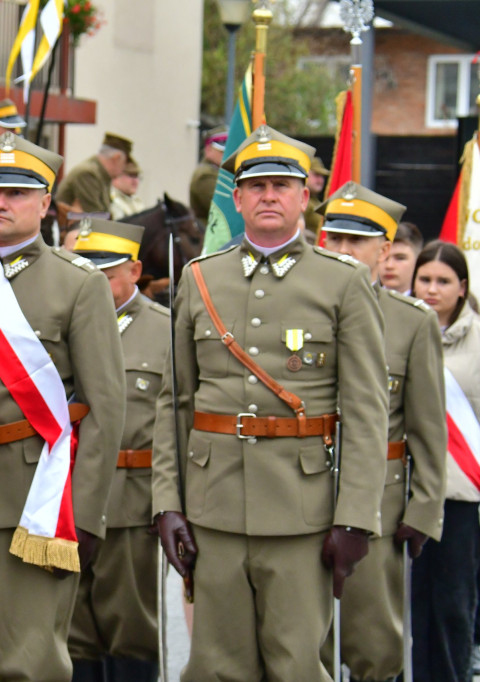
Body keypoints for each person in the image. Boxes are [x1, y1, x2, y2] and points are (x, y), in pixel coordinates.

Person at [152, 125, 388, 680]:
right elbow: (176, 403)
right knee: (215, 666)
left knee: (297, 665)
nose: (269, 196)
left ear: (306, 197)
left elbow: (366, 411)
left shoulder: (343, 283)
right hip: (214, 509)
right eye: (256, 186)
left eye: (283, 185)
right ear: (237, 199)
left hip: (302, 512)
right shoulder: (200, 278)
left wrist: (355, 517)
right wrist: (167, 502)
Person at [0, 132, 125, 681]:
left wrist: (84, 512)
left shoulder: (78, 284)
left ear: (45, 203)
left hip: (37, 496)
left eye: (17, 193)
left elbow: (105, 408)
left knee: (29, 660)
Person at [320, 182, 446, 682]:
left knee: (372, 642)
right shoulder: (299, 308)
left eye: (357, 242)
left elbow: (427, 425)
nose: (344, 252)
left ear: (385, 251)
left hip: (379, 503)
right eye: (334, 240)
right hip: (298, 493)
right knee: (304, 640)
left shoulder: (410, 322)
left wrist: (424, 506)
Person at [69, 218, 168, 681]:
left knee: (131, 626)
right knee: (73, 631)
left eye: (105, 276)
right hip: (64, 498)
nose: (92, 284)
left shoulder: (164, 331)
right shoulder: (59, 324)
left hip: (130, 497)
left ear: (134, 270)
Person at [410, 241, 480, 682]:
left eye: (443, 281)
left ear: (462, 288)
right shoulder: (394, 328)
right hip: (407, 489)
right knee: (407, 601)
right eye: (425, 279)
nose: (432, 289)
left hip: (460, 492)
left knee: (453, 602)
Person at [57, 133, 133, 215]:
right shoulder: (88, 174)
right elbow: (96, 217)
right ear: (116, 158)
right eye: (125, 162)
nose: (124, 168)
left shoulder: (100, 175)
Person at [188, 126, 226, 228]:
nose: (226, 155)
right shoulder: (205, 175)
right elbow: (223, 207)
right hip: (210, 235)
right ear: (208, 149)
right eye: (221, 151)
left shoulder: (218, 172)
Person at [382, 222, 424, 295]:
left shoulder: (428, 304)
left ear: (418, 261)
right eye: (384, 258)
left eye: (400, 258)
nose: (389, 266)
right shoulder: (362, 300)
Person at [302, 156, 330, 238]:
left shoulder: (315, 201)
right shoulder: (301, 201)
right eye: (316, 175)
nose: (320, 180)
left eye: (322, 176)